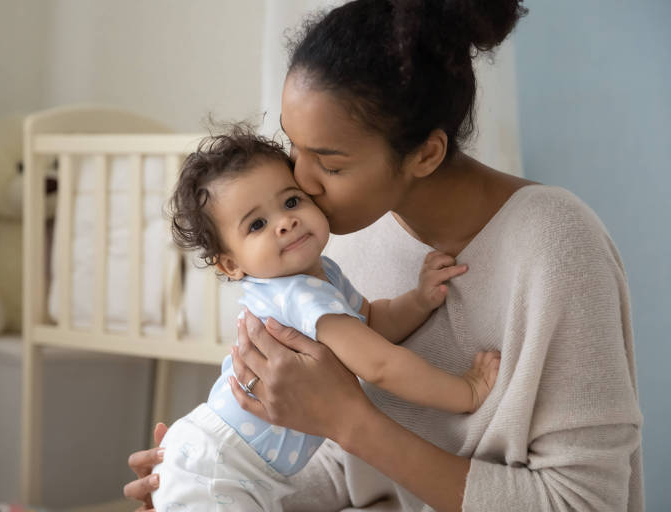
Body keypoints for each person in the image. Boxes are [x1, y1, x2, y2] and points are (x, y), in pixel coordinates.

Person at [125, 1, 644, 510]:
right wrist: (218, 479)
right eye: (292, 147)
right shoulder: (333, 235)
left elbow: (584, 502)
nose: (299, 184)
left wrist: (351, 422)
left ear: (425, 154)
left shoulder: (556, 244)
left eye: (328, 163)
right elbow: (345, 468)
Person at [150, 125, 500, 510]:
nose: (285, 222)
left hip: (226, 464)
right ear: (232, 264)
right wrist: (464, 392)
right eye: (257, 225)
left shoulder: (322, 274)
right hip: (220, 466)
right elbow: (380, 364)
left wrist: (418, 300)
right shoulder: (299, 295)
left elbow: (371, 321)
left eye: (291, 201)